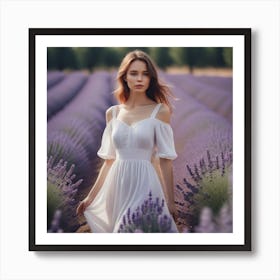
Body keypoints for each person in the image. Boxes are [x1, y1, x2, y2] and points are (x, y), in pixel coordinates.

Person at [76, 50, 178, 233]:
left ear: (151, 79)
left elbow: (165, 161)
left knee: (129, 229)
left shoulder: (160, 111)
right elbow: (108, 161)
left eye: (145, 74)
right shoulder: (112, 113)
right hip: (117, 185)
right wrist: (90, 198)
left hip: (145, 183)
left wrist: (170, 201)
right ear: (125, 77)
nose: (140, 79)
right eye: (134, 73)